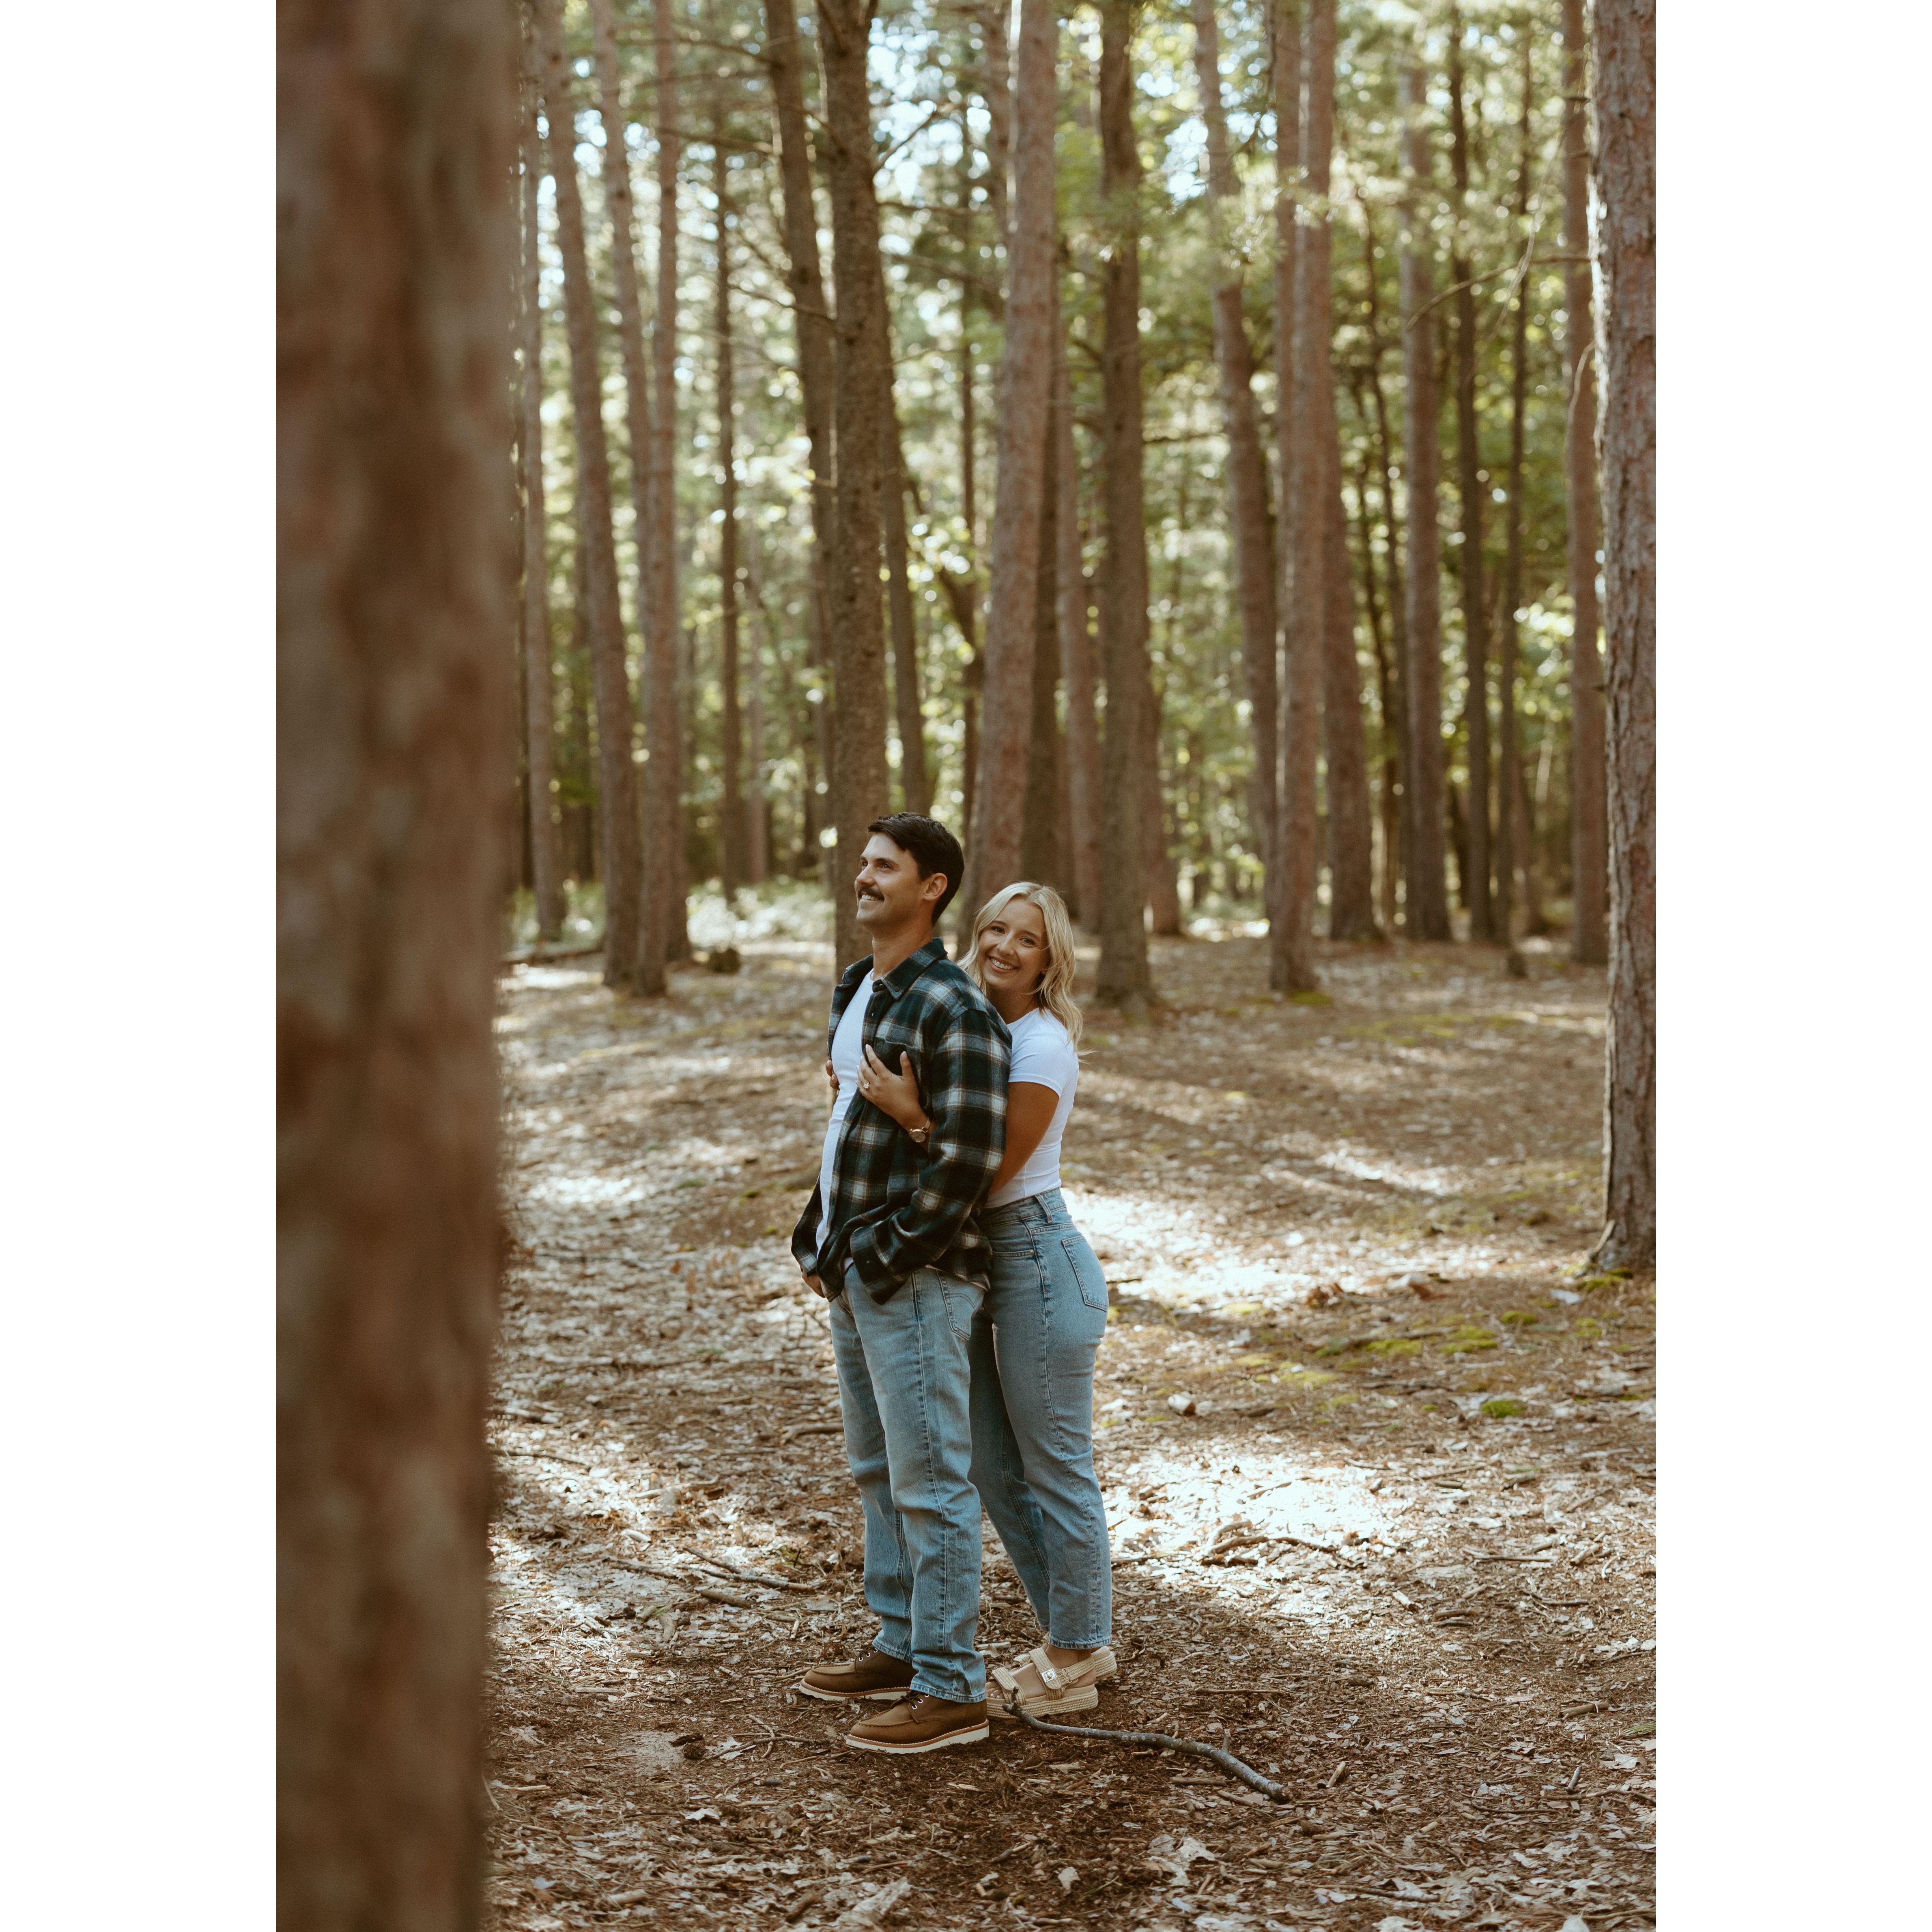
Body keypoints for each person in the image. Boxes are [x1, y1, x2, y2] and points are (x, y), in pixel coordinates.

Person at [858, 882, 1118, 1722]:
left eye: (1026, 939)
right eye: (996, 928)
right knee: (994, 1469)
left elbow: (992, 1169)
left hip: (1036, 1256)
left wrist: (913, 1117)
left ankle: (1077, 1651)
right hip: (970, 1256)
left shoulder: (1042, 1044)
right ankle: (1076, 1634)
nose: (1005, 946)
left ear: (1049, 960)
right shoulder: (967, 1018)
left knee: (1055, 1466)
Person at [789, 814, 1011, 1755]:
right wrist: (822, 1242)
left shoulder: (954, 1008)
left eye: (884, 865)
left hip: (914, 1278)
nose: (863, 875)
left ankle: (952, 1683)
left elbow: (968, 1158)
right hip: (856, 1268)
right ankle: (899, 1641)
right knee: (878, 1471)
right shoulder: (859, 986)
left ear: (931, 887)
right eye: (862, 862)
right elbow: (847, 1123)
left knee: (929, 1481)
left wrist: (884, 1251)